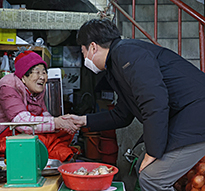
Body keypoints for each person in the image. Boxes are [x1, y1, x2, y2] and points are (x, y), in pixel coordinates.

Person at [65, 18, 205, 190]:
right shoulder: (117, 63)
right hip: (188, 116)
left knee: (152, 178)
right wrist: (83, 121)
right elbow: (122, 115)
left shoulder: (127, 53)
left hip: (197, 115)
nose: (85, 58)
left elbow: (154, 102)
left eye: (83, 51)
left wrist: (152, 152)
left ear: (93, 47)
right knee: (142, 168)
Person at [0, 50, 79, 162]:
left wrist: (64, 121)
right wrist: (56, 122)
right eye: (37, 72)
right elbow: (22, 123)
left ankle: (62, 155)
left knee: (59, 133)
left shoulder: (36, 89)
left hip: (16, 132)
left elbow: (44, 114)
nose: (42, 77)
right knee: (43, 142)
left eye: (44, 72)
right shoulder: (8, 87)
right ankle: (62, 155)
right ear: (23, 76)